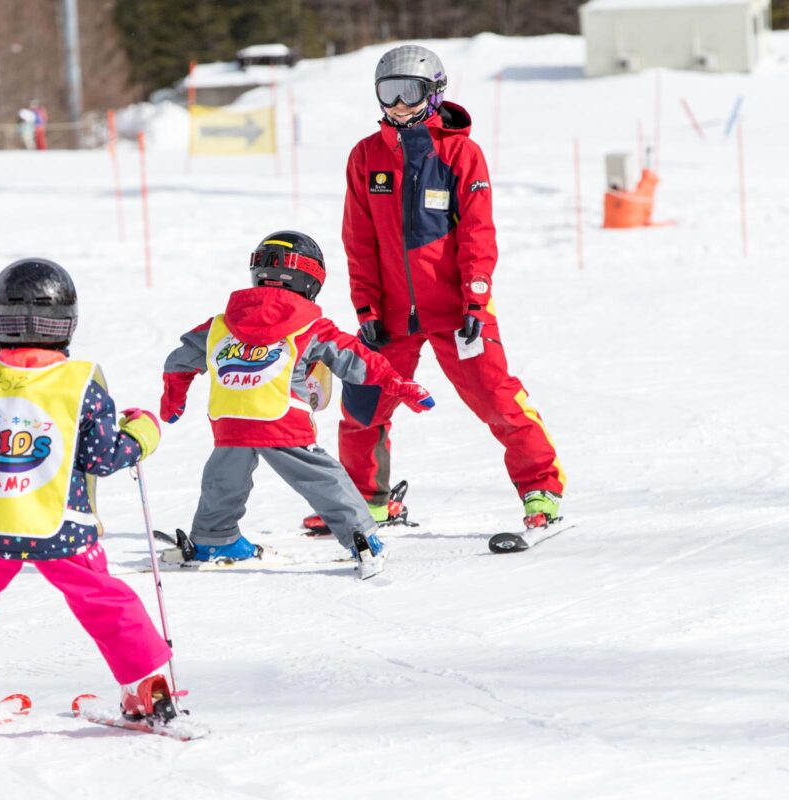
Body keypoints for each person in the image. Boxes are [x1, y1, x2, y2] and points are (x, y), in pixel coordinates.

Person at [0, 257, 181, 728]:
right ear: (67, 323)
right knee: (104, 601)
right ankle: (146, 687)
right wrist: (143, 433)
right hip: (64, 531)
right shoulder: (80, 386)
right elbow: (103, 458)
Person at [337, 44, 565, 531]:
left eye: (410, 92)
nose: (398, 104)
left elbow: (478, 234)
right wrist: (366, 308)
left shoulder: (460, 153)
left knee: (496, 398)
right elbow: (359, 240)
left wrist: (475, 301)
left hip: (457, 308)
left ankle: (540, 488)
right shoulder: (366, 157)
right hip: (391, 315)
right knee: (363, 404)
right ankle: (369, 501)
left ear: (434, 93)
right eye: (388, 93)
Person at [159, 231, 435, 578]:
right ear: (311, 281)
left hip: (229, 420)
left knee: (224, 478)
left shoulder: (220, 324)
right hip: (281, 420)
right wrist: (398, 384)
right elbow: (354, 357)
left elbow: (178, 362)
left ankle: (215, 536)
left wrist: (173, 400)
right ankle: (361, 537)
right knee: (323, 479)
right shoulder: (310, 325)